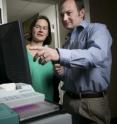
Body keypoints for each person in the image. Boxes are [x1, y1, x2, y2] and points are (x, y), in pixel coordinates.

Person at [29, 0, 112, 124]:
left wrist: (59, 53)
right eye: (62, 14)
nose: (64, 18)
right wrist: (62, 73)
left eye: (68, 13)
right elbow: (68, 76)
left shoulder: (98, 29)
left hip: (91, 104)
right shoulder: (67, 42)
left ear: (82, 12)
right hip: (68, 102)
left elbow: (96, 56)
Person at [26, 15, 59, 102]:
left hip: (49, 104)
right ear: (32, 29)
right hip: (26, 103)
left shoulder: (53, 54)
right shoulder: (21, 53)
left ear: (48, 33)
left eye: (45, 28)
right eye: (37, 27)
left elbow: (56, 81)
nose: (41, 30)